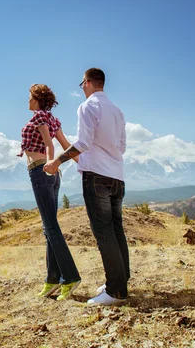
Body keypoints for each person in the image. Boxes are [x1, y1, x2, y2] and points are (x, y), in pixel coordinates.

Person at [44, 68, 129, 306]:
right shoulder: (118, 111)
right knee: (116, 230)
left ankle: (116, 291)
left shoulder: (88, 107)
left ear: (89, 83)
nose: (81, 87)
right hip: (117, 176)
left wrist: (56, 161)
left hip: (96, 176)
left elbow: (83, 142)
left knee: (104, 232)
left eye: (82, 83)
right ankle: (121, 280)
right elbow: (121, 147)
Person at [19, 84, 81, 301]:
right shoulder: (53, 119)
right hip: (52, 175)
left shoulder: (39, 117)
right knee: (49, 228)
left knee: (51, 227)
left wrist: (50, 163)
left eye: (29, 96)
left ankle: (70, 277)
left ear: (36, 98)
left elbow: (50, 145)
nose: (27, 100)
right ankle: (52, 279)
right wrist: (83, 164)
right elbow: (66, 144)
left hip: (41, 171)